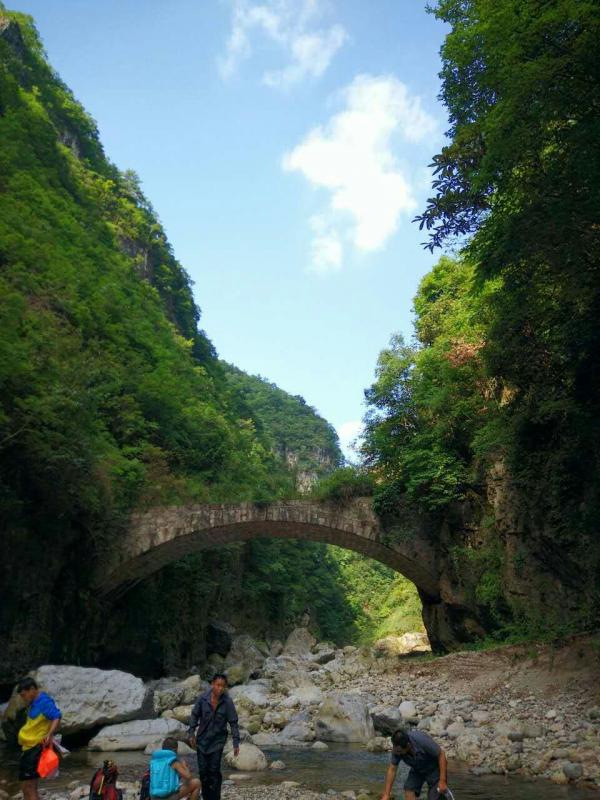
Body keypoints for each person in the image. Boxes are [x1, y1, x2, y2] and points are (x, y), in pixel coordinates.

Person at [187, 673, 239, 800]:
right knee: (203, 772)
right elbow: (194, 715)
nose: (220, 688)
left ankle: (215, 797)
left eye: (223, 686)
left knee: (214, 771)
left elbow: (233, 722)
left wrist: (236, 742)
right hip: (202, 741)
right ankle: (206, 796)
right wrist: (191, 732)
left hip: (217, 741)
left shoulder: (227, 702)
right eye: (218, 685)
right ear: (212, 684)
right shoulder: (202, 699)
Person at [16, 677, 62, 800]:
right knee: (26, 786)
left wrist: (50, 734)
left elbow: (56, 716)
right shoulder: (33, 702)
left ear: (32, 689)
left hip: (35, 748)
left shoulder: (44, 701)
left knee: (29, 786)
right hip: (28, 748)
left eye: (23, 695)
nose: (23, 698)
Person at [380, 727, 449, 800]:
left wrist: (442, 781)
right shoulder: (397, 748)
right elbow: (392, 769)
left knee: (434, 797)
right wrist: (386, 794)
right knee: (409, 789)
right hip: (417, 769)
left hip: (434, 768)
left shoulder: (421, 740)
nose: (397, 753)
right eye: (395, 749)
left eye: (399, 751)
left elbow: (441, 755)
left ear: (408, 745)